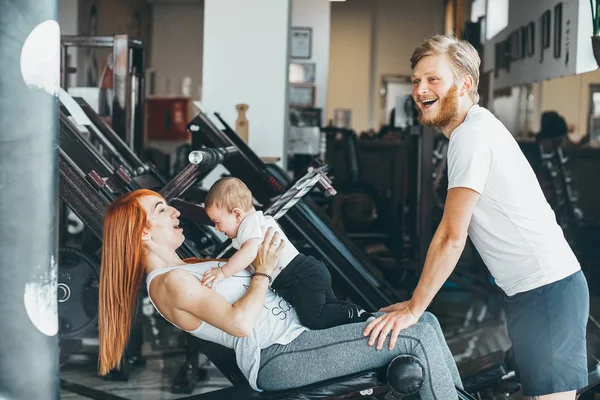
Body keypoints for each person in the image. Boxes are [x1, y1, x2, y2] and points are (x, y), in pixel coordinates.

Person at [364, 35, 589, 400]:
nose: (421, 89)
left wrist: (413, 308)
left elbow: (453, 235)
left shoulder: (471, 136)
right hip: (533, 293)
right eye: (416, 81)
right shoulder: (475, 129)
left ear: (465, 83)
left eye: (433, 79)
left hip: (547, 293)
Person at [97, 189, 464, 398]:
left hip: (302, 338)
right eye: (162, 209)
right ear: (143, 233)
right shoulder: (167, 282)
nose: (174, 211)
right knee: (413, 336)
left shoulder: (189, 267)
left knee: (423, 319)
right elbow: (239, 324)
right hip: (279, 356)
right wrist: (263, 270)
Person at [200, 176, 374, 329]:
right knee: (327, 308)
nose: (216, 227)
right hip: (303, 275)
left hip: (302, 275)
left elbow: (249, 254)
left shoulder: (250, 225)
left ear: (237, 214)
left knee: (314, 318)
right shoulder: (252, 225)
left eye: (217, 222)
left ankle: (354, 312)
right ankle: (360, 317)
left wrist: (222, 272)